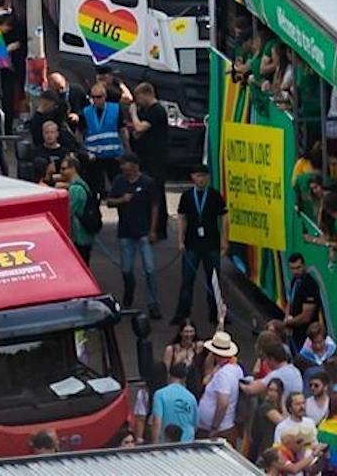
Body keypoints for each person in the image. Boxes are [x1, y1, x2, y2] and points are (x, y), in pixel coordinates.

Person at [104, 151, 163, 317]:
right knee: (126, 269)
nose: (122, 167)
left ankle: (153, 303)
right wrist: (122, 200)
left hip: (144, 231)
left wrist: (153, 229)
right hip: (126, 231)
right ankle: (129, 286)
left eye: (125, 163)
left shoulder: (147, 182)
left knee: (150, 269)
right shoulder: (119, 181)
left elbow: (155, 206)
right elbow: (109, 201)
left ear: (135, 165)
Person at [174, 160, 228, 326]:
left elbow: (224, 217)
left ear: (208, 177)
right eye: (198, 176)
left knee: (214, 280)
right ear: (193, 177)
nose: (201, 179)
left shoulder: (214, 195)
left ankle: (216, 313)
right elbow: (182, 217)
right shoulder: (187, 196)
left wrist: (224, 241)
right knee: (187, 280)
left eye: (204, 176)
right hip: (191, 243)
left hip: (211, 243)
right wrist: (180, 239)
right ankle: (182, 314)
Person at [198, 331, 244, 442]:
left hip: (218, 429)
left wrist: (214, 427)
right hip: (224, 426)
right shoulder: (235, 368)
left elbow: (223, 404)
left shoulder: (223, 374)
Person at [151, 361, 199, 443]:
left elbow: (157, 421)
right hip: (187, 442)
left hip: (168, 443)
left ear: (169, 376)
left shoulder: (160, 394)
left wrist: (155, 443)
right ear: (185, 379)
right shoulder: (191, 397)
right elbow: (195, 425)